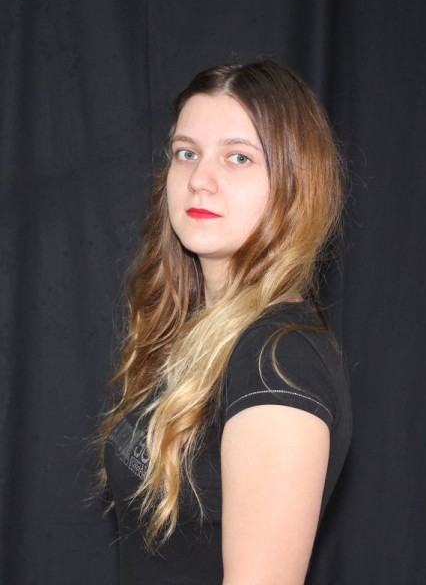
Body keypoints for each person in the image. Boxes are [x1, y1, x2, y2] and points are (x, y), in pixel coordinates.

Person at [100, 59, 352, 584]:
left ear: (294, 184)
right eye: (186, 153)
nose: (200, 180)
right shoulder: (206, 333)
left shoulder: (279, 363)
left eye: (239, 157)